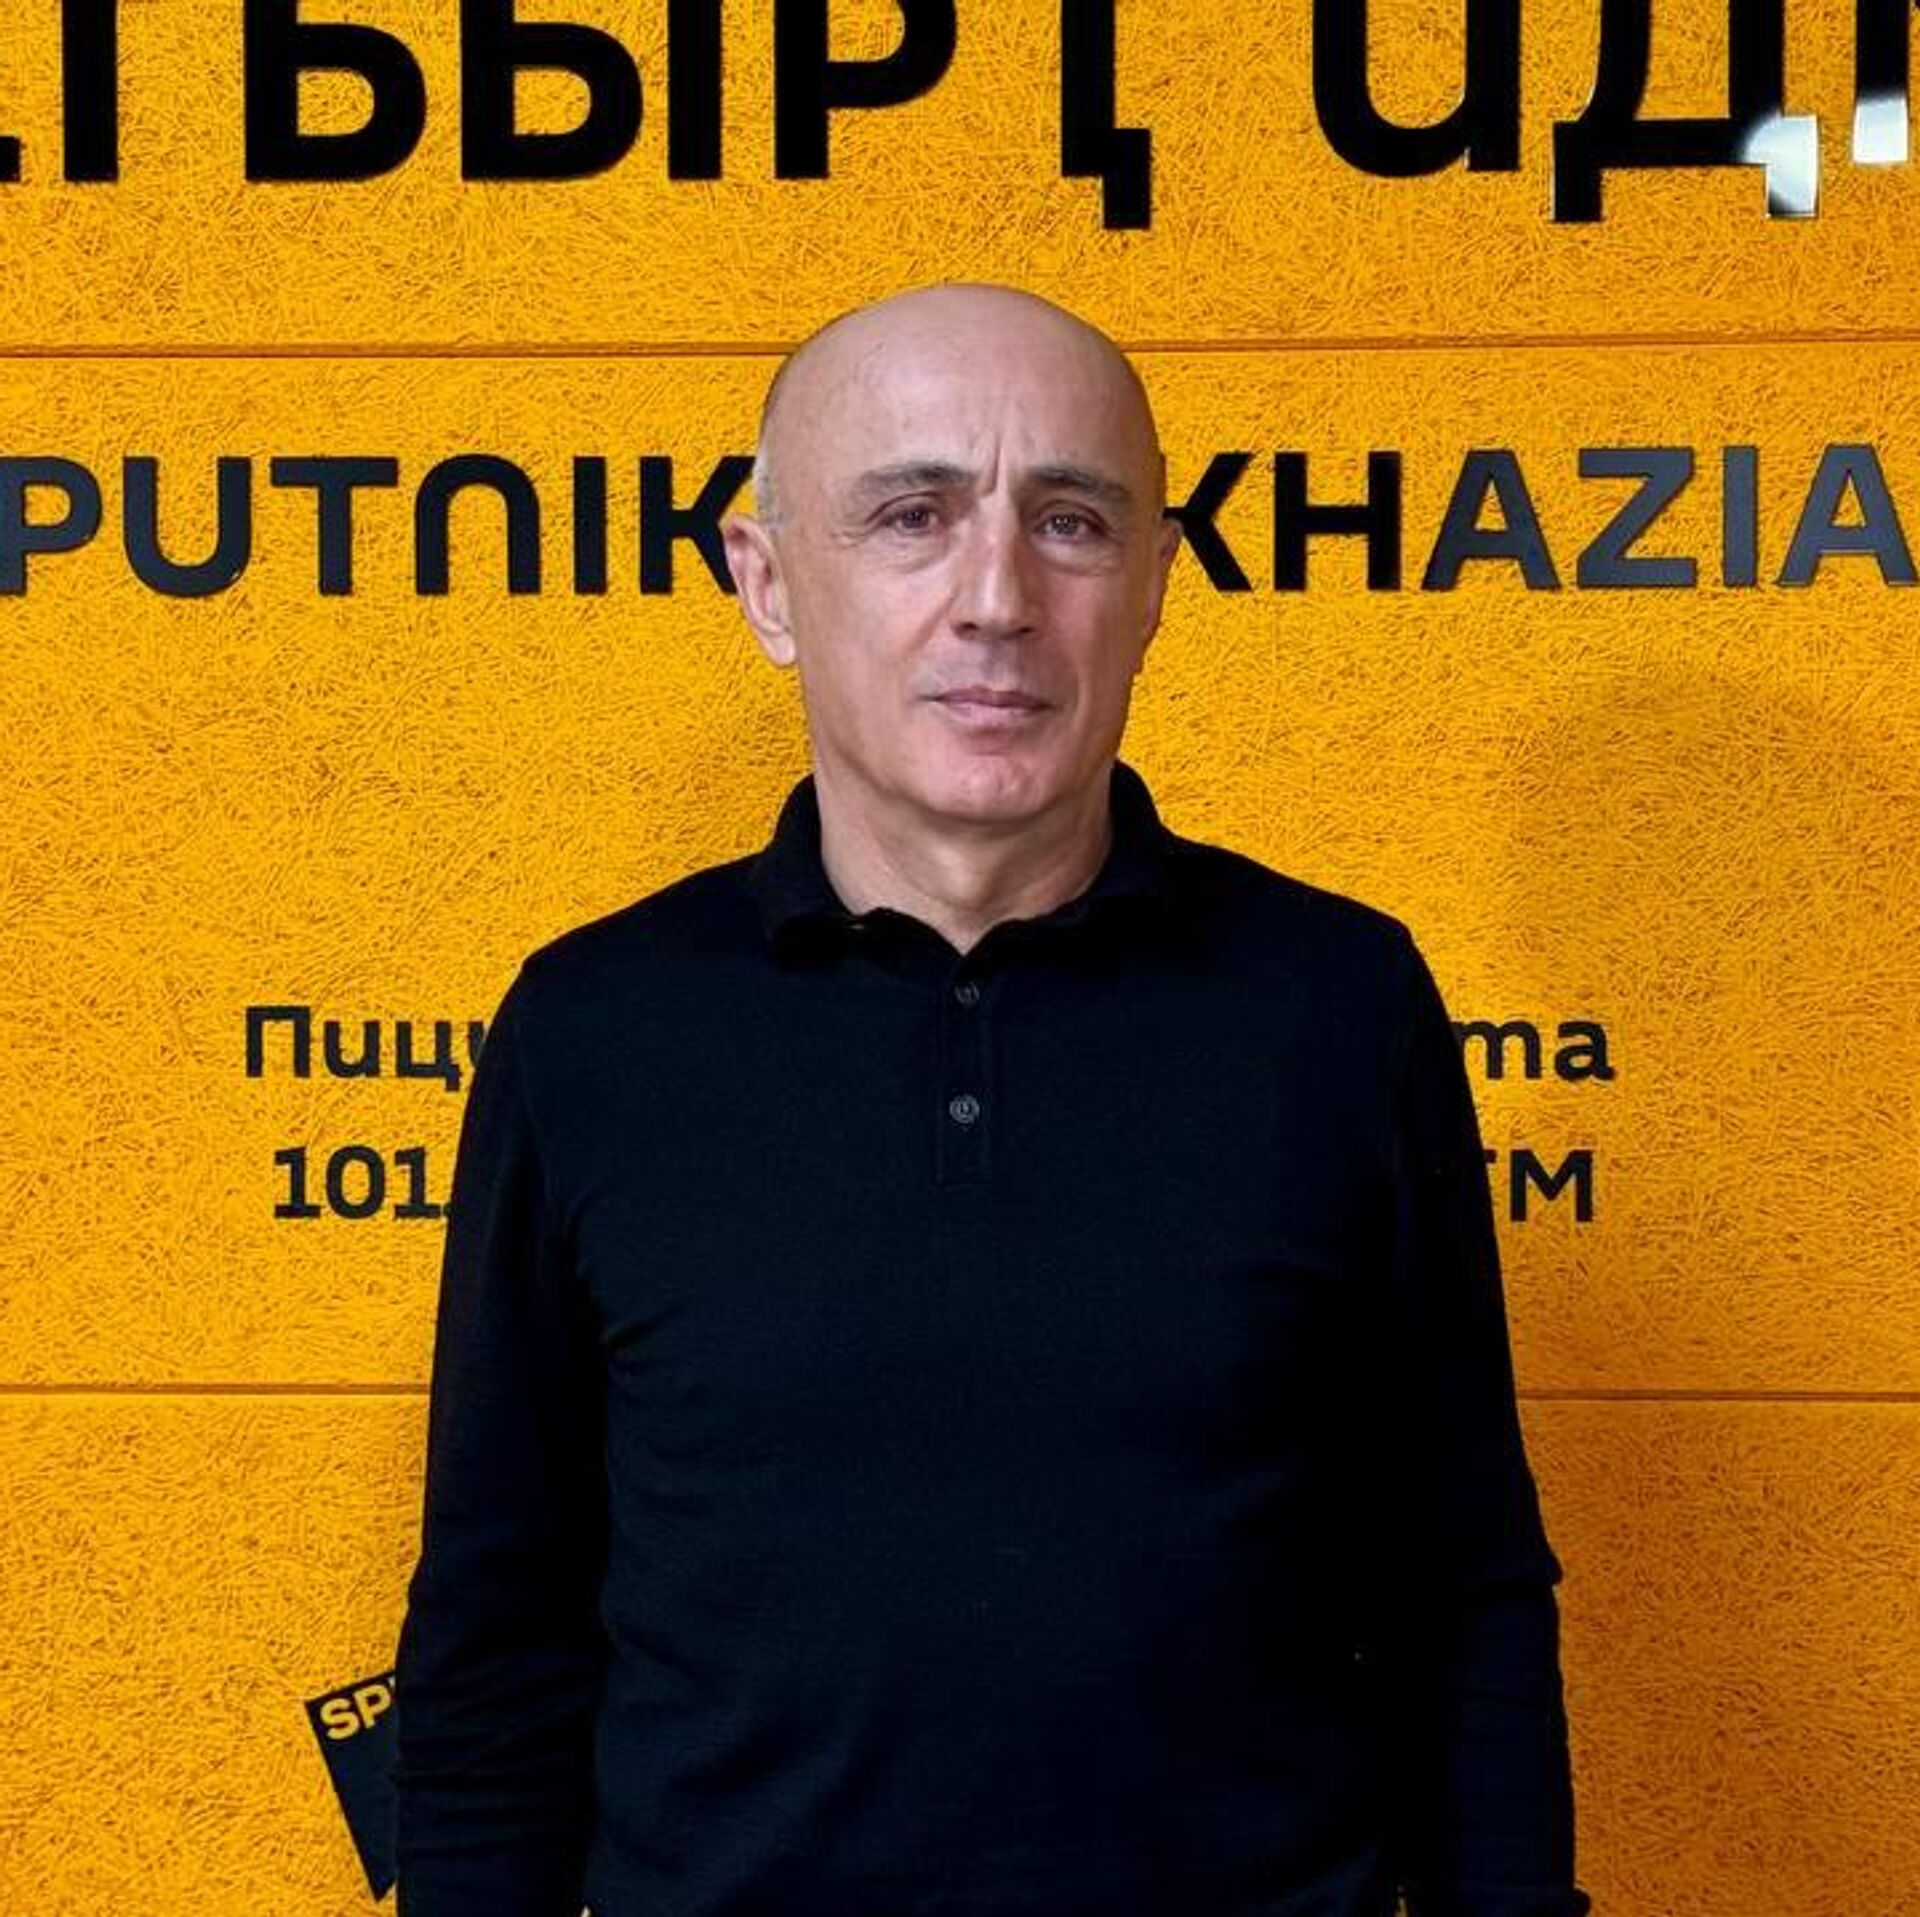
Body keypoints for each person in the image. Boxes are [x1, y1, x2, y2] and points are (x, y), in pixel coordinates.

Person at [392, 281, 1588, 1917]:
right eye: (913, 515)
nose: (999, 598)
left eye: (1072, 521)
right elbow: (495, 1642)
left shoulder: (1342, 1005)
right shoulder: (590, 1028)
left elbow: (1463, 1594)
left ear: (1155, 582)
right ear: (766, 581)